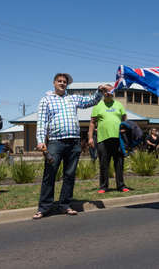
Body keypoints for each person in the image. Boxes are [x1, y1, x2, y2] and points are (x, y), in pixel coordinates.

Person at [33, 73, 106, 219]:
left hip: (74, 143)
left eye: (64, 82)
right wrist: (41, 141)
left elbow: (91, 101)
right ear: (54, 83)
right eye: (59, 81)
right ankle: (44, 207)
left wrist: (99, 91)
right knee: (50, 174)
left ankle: (65, 205)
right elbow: (42, 122)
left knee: (69, 175)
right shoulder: (46, 100)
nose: (62, 83)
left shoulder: (72, 98)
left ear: (67, 84)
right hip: (55, 143)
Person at [89, 84, 129, 194]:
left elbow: (125, 120)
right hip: (103, 139)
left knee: (119, 163)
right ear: (103, 92)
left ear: (113, 92)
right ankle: (103, 186)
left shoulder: (119, 105)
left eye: (110, 90)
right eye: (105, 91)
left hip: (118, 139)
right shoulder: (98, 106)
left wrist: (124, 128)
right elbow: (92, 123)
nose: (108, 93)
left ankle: (121, 185)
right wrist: (90, 138)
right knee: (103, 164)